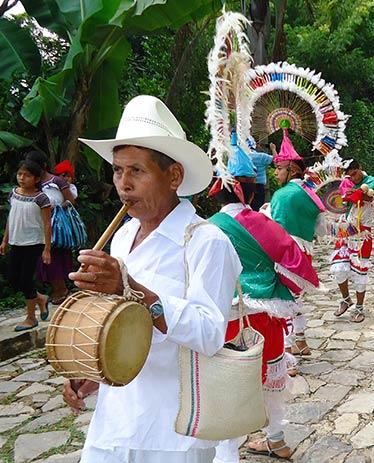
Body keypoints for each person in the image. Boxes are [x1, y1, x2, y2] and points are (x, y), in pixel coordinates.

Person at [63, 95, 241, 463]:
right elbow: (121, 328)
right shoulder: (124, 237)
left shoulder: (207, 242)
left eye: (137, 171)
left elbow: (209, 335)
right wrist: (94, 371)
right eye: (117, 170)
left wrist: (129, 288)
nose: (123, 184)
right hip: (114, 423)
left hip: (174, 433)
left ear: (173, 176)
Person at [208, 154, 318, 462]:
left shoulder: (206, 228)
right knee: (271, 381)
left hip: (226, 320)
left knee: (230, 391)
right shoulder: (263, 223)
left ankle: (227, 454)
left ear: (219, 190)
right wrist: (281, 290)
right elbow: (296, 267)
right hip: (265, 317)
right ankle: (276, 440)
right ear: (253, 191)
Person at [266, 129, 325, 358]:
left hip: (284, 255)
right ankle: (301, 341)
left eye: (279, 168)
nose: (276, 172)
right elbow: (320, 229)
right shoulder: (311, 194)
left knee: (284, 302)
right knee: (295, 298)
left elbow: (272, 229)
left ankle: (288, 352)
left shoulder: (281, 197)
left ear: (291, 169)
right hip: (304, 255)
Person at [331, 159, 374, 323]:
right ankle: (345, 299)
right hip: (346, 230)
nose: (354, 178)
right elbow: (341, 203)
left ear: (360, 168)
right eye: (350, 176)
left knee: (360, 272)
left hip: (363, 233)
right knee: (338, 268)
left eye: (355, 174)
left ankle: (359, 307)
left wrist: (370, 199)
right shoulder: (347, 183)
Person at [1, 159, 51, 331]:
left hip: (34, 243)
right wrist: (5, 239)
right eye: (20, 174)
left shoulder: (41, 198)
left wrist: (47, 249)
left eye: (27, 175)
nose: (22, 178)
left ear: (36, 179)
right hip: (16, 241)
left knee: (26, 279)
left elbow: (46, 224)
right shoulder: (13, 193)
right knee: (14, 278)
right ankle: (41, 298)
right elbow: (11, 217)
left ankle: (31, 318)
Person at [25, 150, 76, 305]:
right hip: (39, 225)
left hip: (57, 227)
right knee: (44, 259)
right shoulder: (34, 184)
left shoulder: (57, 181)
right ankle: (56, 288)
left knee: (55, 257)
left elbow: (71, 201)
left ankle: (62, 289)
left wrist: (56, 208)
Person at [247, 136, 273, 211]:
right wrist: (273, 149)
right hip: (259, 187)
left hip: (246, 186)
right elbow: (276, 159)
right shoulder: (261, 156)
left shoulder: (243, 157)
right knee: (258, 209)